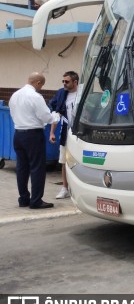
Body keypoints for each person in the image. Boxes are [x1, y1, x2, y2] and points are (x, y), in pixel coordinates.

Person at [9, 72, 60, 209]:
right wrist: (55, 116)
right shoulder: (36, 97)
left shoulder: (15, 95)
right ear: (38, 83)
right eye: (41, 85)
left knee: (21, 167)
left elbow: (12, 114)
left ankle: (23, 198)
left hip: (18, 133)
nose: (41, 88)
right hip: (33, 135)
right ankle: (36, 200)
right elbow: (46, 117)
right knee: (37, 167)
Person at [49, 71, 79, 199]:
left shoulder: (82, 94)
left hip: (80, 132)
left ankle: (78, 188)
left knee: (79, 161)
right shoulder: (62, 94)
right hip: (66, 131)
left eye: (67, 81)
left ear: (75, 82)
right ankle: (65, 188)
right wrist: (51, 132)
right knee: (64, 160)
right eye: (63, 81)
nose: (64, 84)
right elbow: (57, 113)